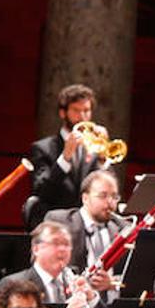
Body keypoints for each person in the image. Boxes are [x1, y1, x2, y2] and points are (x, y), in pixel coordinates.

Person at [26, 84, 104, 228]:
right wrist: (65, 157)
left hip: (87, 225)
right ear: (63, 113)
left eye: (86, 110)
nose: (82, 116)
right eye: (76, 110)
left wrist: (102, 160)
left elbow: (104, 189)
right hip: (54, 224)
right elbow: (42, 192)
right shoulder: (43, 148)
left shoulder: (93, 148)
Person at [41, 169, 126, 302]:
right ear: (85, 198)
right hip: (73, 303)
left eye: (114, 197)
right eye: (103, 196)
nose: (110, 202)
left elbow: (135, 274)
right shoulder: (60, 221)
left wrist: (112, 284)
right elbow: (46, 265)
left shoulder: (123, 228)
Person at [0, 220, 102, 308]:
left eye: (66, 244)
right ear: (36, 249)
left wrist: (91, 298)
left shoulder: (74, 279)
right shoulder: (14, 284)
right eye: (55, 243)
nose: (62, 249)